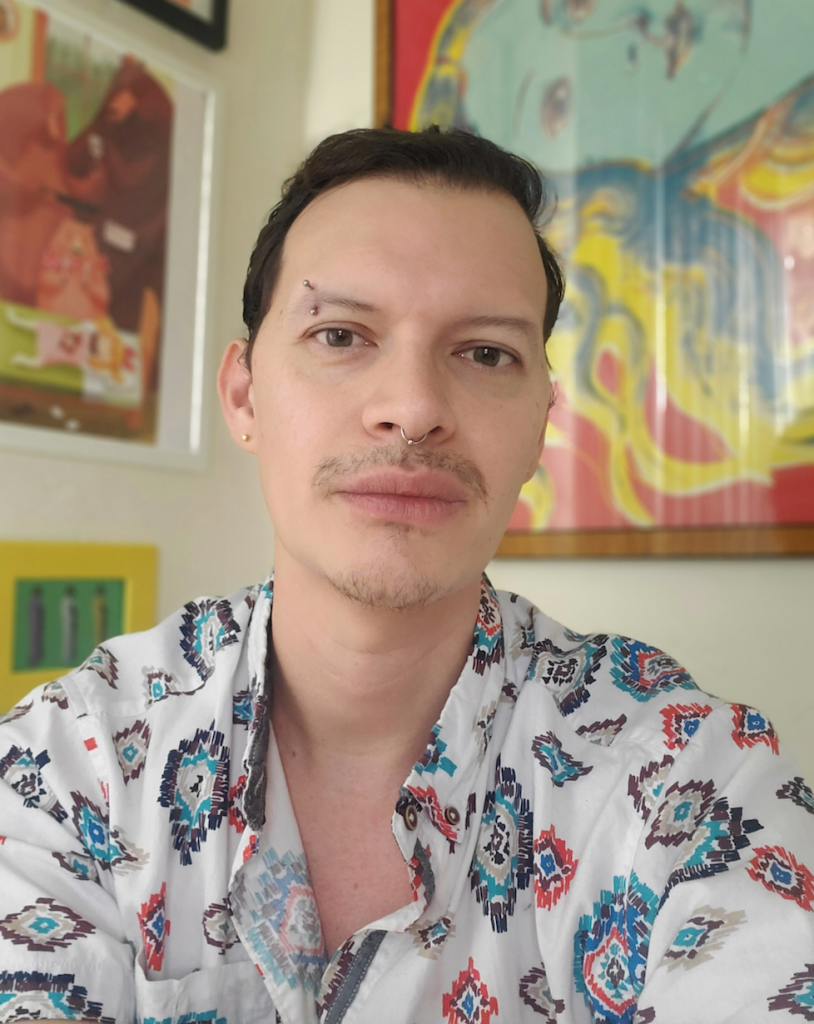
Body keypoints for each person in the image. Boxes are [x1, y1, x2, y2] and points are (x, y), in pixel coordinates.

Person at [0, 127, 812, 1024]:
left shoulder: (687, 781)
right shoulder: (71, 766)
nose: (414, 409)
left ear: (542, 422)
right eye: (341, 334)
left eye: (486, 353)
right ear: (244, 397)